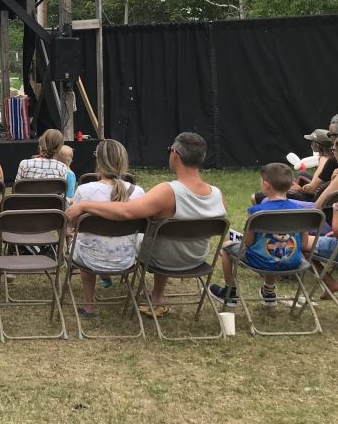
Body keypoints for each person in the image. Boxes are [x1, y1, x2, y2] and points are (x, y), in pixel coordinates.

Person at [66, 132, 226, 317]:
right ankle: (156, 296)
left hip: (163, 260)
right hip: (197, 259)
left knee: (155, 239)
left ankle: (94, 301)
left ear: (175, 154)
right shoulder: (217, 194)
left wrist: (85, 205)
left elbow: (126, 211)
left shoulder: (167, 191)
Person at [209, 163, 310, 308]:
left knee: (226, 248)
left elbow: (248, 243)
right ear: (291, 184)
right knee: (270, 252)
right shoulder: (301, 211)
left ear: (266, 185)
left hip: (261, 262)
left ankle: (230, 292)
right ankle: (269, 291)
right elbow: (305, 244)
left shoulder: (258, 212)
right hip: (293, 261)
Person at [68, 139, 144, 317]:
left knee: (80, 239)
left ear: (98, 161)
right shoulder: (138, 192)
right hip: (126, 259)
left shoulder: (85, 191)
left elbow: (73, 222)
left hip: (90, 258)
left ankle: (89, 304)